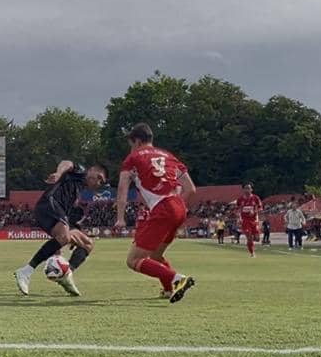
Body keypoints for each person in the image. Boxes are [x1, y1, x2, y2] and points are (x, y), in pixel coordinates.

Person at [113, 123, 196, 303]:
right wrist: (176, 207)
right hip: (178, 207)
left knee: (134, 260)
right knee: (156, 256)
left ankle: (177, 279)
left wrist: (120, 218)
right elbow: (191, 189)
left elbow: (122, 189)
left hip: (163, 208)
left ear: (136, 141)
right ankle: (168, 290)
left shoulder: (133, 158)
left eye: (131, 144)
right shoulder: (169, 156)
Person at [13, 160, 108, 297]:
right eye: (98, 177)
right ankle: (26, 271)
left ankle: (67, 274)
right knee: (64, 237)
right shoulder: (80, 171)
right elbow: (67, 163)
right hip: (49, 204)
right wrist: (58, 174)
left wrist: (73, 230)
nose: (98, 182)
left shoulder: (78, 189)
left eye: (101, 182)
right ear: (91, 170)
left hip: (58, 212)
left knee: (87, 244)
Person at [234, 183, 263, 257]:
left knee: (257, 239)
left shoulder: (256, 198)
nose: (247, 190)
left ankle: (250, 241)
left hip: (254, 220)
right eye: (246, 188)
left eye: (249, 188)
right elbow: (236, 209)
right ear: (243, 190)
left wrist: (254, 211)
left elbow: (260, 208)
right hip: (245, 221)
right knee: (249, 238)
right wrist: (238, 217)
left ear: (251, 189)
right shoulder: (240, 199)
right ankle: (252, 253)